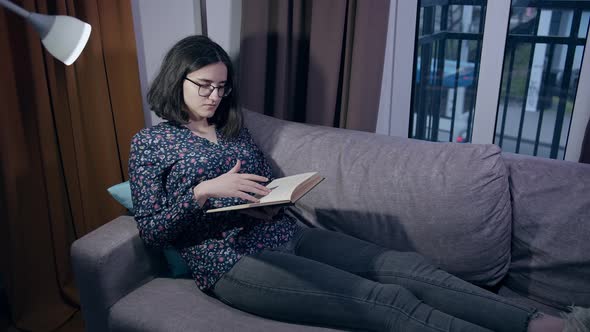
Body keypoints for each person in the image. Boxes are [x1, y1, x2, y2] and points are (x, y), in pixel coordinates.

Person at [129, 35, 586, 332]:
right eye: (204, 86)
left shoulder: (232, 125)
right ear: (178, 78)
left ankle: (539, 324)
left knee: (409, 269)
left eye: (222, 87)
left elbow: (254, 181)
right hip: (229, 262)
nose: (215, 96)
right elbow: (152, 229)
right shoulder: (151, 143)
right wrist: (202, 192)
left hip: (285, 231)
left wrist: (266, 200)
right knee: (384, 301)